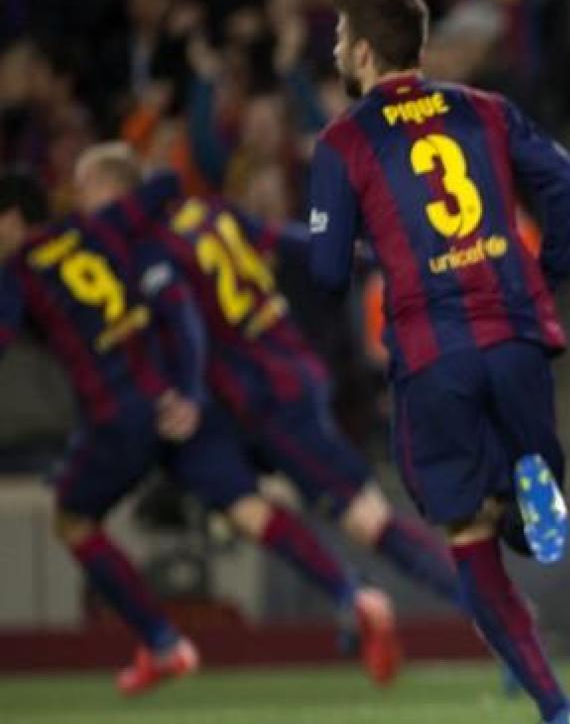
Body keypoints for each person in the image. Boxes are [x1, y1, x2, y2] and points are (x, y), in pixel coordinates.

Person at [306, 0, 570, 724]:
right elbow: (568, 186)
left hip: (434, 354)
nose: (335, 49)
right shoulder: (485, 111)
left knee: (468, 537)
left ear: (363, 50)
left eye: (338, 38)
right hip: (517, 331)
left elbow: (327, 273)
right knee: (530, 508)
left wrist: (370, 240)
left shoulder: (343, 142)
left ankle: (556, 713)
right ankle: (536, 491)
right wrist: (546, 275)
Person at [0, 164, 398, 696]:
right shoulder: (99, 229)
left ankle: (163, 644)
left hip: (118, 416)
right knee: (246, 509)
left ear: (10, 220)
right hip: (177, 405)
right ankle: (352, 594)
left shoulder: (18, 272)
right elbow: (167, 182)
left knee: (72, 519)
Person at [72, 144, 466, 614]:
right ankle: (352, 596)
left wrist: (190, 392)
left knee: (363, 519)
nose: (78, 204)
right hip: (259, 388)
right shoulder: (205, 212)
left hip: (267, 391)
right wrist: (369, 255)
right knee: (238, 503)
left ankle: (487, 609)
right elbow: (283, 239)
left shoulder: (148, 247)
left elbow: (186, 323)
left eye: (84, 190)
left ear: (110, 189)